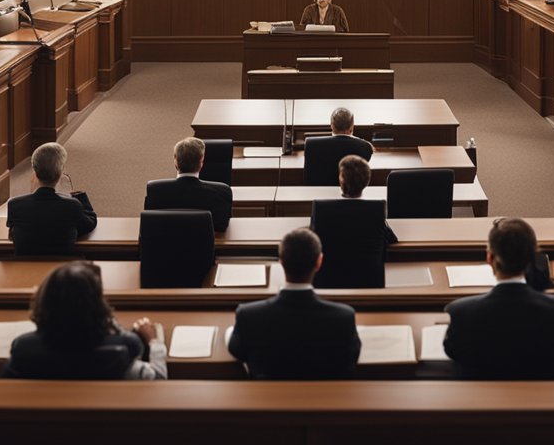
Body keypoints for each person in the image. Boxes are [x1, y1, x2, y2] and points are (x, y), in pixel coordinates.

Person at [443, 218, 554, 380]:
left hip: (481, 401)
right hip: (545, 401)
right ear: (533, 257)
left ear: (490, 258)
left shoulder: (461, 312)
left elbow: (453, 351)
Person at [228, 227, 362, 379]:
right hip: (325, 400)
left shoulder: (248, 316)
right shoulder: (344, 317)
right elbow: (352, 355)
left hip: (267, 400)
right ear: (319, 262)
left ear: (281, 262)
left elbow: (236, 349)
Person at [1, 261, 166, 380]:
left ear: (44, 301)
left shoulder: (23, 348)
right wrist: (154, 341)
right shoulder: (122, 348)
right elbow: (157, 381)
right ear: (98, 305)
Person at [6, 143, 98, 256]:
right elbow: (89, 223)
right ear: (61, 172)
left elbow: (14, 235)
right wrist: (79, 196)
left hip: (25, 269)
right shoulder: (72, 206)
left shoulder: (15, 205)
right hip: (60, 270)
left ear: (34, 170)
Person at [143, 137, 233, 232]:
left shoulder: (155, 191)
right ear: (201, 161)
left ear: (175, 161)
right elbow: (222, 226)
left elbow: (150, 226)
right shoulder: (222, 191)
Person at [326, 154, 397, 245]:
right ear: (367, 181)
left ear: (341, 180)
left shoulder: (324, 210)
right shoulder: (375, 211)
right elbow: (392, 239)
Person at [303, 107, 374, 185]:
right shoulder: (364, 147)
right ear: (352, 126)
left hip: (318, 194)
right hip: (350, 194)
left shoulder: (311, 145)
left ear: (332, 126)